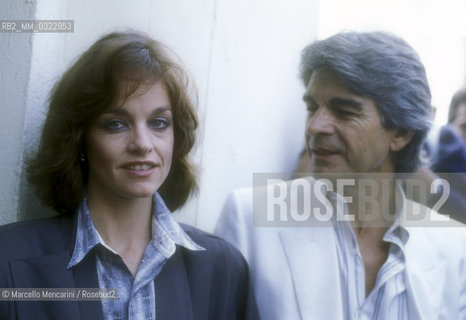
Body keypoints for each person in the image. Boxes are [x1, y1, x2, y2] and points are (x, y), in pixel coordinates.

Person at [0, 30, 258, 320]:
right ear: (79, 139)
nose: (143, 144)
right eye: (116, 124)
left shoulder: (221, 268)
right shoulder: (8, 260)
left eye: (159, 123)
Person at [216, 31, 466, 319]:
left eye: (344, 111)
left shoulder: (454, 249)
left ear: (400, 132)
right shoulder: (248, 219)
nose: (315, 126)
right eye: (312, 108)